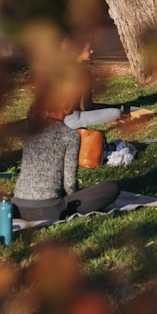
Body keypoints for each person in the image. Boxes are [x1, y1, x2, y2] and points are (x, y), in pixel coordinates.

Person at [12, 68, 119, 222]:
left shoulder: (32, 130)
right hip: (49, 210)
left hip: (18, 205)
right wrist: (73, 195)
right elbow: (70, 184)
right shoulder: (71, 136)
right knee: (111, 188)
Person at [61, 38, 125, 129]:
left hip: (55, 121)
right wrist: (117, 109)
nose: (92, 51)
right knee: (116, 113)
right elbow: (88, 106)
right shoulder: (83, 74)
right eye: (88, 49)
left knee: (116, 111)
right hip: (72, 120)